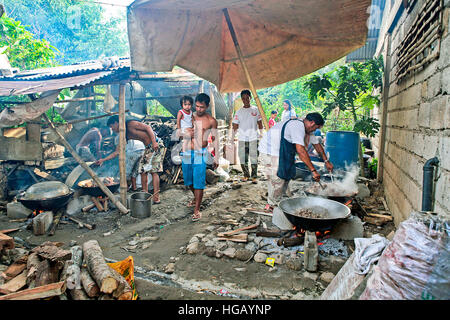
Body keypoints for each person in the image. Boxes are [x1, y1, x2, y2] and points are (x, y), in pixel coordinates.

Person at [258, 112, 333, 212]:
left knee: (286, 175)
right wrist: (313, 171)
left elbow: (317, 145)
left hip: (282, 152)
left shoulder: (307, 129)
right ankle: (272, 206)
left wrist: (326, 161)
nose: (315, 130)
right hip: (270, 151)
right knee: (277, 179)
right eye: (316, 128)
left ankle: (280, 200)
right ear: (312, 123)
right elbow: (301, 150)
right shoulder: (297, 127)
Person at [96, 116, 165, 203]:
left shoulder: (130, 124)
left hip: (156, 144)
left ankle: (156, 198)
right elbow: (117, 152)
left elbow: (148, 127)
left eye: (111, 127)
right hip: (148, 148)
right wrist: (103, 160)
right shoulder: (123, 134)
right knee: (143, 171)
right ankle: (145, 195)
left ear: (116, 123)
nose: (112, 130)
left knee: (154, 172)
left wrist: (154, 142)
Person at [182, 93, 219, 222]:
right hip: (187, 151)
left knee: (198, 181)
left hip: (200, 152)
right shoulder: (189, 116)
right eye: (197, 106)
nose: (198, 109)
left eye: (202, 107)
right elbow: (179, 131)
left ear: (207, 106)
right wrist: (185, 133)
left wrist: (216, 157)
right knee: (188, 180)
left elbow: (215, 140)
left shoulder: (211, 121)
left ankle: (197, 209)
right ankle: (196, 198)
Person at [232, 89, 263, 183]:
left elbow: (260, 123)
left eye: (247, 98)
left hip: (254, 138)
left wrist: (262, 134)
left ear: (250, 98)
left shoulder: (256, 110)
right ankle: (246, 175)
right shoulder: (238, 112)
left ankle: (254, 176)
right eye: (243, 98)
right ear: (241, 99)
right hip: (242, 138)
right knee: (243, 159)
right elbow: (235, 126)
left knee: (254, 158)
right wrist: (232, 137)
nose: (245, 100)